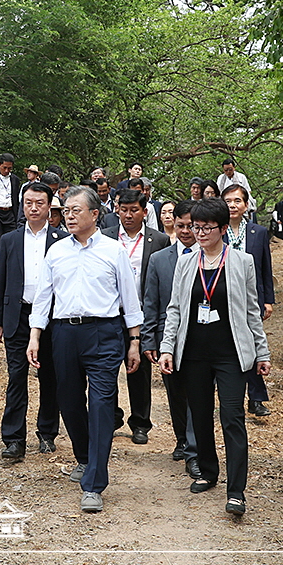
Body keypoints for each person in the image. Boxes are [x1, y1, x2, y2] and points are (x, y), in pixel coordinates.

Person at [28, 186, 143, 514]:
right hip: (64, 333)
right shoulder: (57, 252)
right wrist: (36, 336)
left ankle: (94, 482)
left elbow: (129, 300)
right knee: (69, 401)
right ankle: (85, 456)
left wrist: (134, 341)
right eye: (66, 210)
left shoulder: (113, 250)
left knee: (103, 404)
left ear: (95, 214)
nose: (69, 215)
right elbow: (43, 298)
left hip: (104, 333)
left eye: (76, 210)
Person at [159, 198, 271, 517]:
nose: (201, 233)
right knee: (201, 413)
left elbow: (251, 310)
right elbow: (175, 309)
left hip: (230, 354)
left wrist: (261, 352)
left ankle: (236, 491)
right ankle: (208, 470)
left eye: (208, 228)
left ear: (224, 229)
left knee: (232, 417)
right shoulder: (186, 262)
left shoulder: (242, 262)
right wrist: (168, 348)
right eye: (196, 227)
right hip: (194, 353)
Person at [0, 182, 66, 460]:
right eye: (28, 203)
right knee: (16, 377)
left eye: (39, 203)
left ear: (49, 207)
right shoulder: (9, 240)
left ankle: (47, 433)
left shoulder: (61, 240)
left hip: (51, 318)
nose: (33, 208)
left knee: (50, 377)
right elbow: (0, 280)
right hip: (17, 316)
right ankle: (13, 439)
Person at [102, 188, 170, 444]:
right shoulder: (105, 237)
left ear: (145, 211)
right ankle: (112, 416)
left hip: (142, 315)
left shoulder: (159, 240)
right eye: (123, 209)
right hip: (110, 313)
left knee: (138, 370)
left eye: (134, 210)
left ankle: (140, 422)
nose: (128, 215)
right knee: (107, 368)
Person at [142, 199, 200, 478]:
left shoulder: (208, 256)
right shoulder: (159, 259)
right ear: (173, 226)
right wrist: (148, 340)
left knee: (197, 393)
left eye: (192, 226)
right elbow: (151, 302)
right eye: (181, 226)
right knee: (176, 392)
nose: (187, 231)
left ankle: (194, 449)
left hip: (201, 335)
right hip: (169, 337)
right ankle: (181, 438)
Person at [222, 184, 276, 417]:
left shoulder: (258, 232)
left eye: (237, 201)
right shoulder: (217, 230)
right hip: (222, 297)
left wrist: (268, 300)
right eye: (228, 201)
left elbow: (265, 267)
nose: (232, 206)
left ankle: (255, 398)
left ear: (246, 205)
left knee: (253, 346)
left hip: (251, 298)